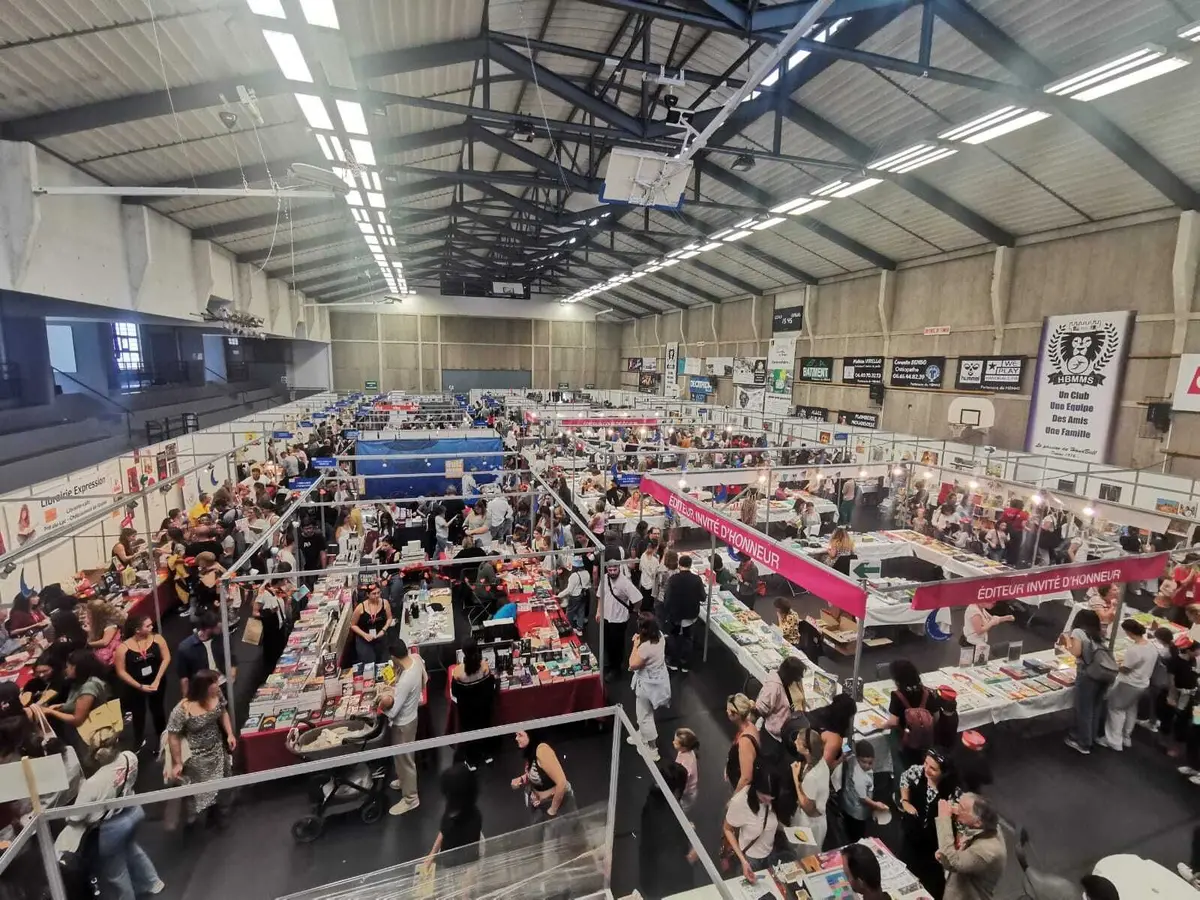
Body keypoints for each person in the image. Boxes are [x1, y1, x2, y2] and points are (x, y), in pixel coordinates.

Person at [53, 735, 164, 899]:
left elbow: (76, 817)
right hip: (133, 812)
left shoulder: (92, 784)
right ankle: (153, 883)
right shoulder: (129, 757)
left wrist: (67, 818)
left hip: (113, 827)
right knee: (132, 849)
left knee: (116, 870)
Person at [165, 669, 235, 827]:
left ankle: (214, 813)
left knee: (219, 780)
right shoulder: (182, 709)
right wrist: (178, 762)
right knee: (201, 787)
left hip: (216, 748)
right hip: (197, 756)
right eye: (214, 683)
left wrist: (229, 733)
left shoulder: (217, 695)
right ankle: (193, 816)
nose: (218, 685)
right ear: (204, 687)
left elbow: (223, 712)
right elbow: (173, 735)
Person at [899, 748, 962, 898]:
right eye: (926, 763)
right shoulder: (917, 771)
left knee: (932, 886)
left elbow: (960, 822)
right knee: (905, 875)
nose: (926, 769)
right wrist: (905, 801)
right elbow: (904, 778)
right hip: (912, 835)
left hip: (934, 846)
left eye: (933, 768)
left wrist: (956, 844)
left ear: (943, 772)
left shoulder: (953, 792)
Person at [1098, 618, 1157, 752]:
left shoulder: (1134, 650)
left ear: (1129, 632)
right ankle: (1126, 737)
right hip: (1142, 683)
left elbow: (1125, 669)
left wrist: (1114, 665)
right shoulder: (1150, 646)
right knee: (1131, 709)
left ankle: (1114, 740)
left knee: (1116, 709)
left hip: (1128, 683)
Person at [382, 636, 426, 816]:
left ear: (393, 657)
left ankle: (411, 798)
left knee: (405, 760)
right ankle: (403, 780)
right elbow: (425, 678)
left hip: (403, 724)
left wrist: (382, 704)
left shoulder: (405, 681)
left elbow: (393, 712)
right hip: (412, 716)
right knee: (402, 757)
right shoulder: (416, 659)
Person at [113, 615, 171, 751]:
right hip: (135, 685)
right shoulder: (123, 648)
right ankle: (138, 740)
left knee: (158, 711)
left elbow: (166, 657)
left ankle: (162, 740)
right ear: (137, 630)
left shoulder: (157, 639)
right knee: (138, 713)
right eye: (148, 626)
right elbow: (121, 671)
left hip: (157, 681)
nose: (152, 627)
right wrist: (140, 686)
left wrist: (157, 679)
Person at [638, 761, 694, 900]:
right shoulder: (668, 818)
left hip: (649, 871)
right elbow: (671, 858)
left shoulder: (653, 799)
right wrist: (691, 857)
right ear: (677, 790)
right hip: (667, 884)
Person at [935, 793, 1006, 900]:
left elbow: (953, 862)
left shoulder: (988, 851)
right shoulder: (987, 826)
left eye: (962, 808)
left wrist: (944, 818)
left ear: (978, 822)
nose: (955, 809)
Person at [33, 649, 109, 744]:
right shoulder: (80, 681)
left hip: (91, 732)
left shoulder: (89, 687)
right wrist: (61, 706)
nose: (66, 669)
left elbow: (77, 720)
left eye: (69, 666)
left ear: (78, 668)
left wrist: (50, 711)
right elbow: (76, 703)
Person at [1058, 608, 1108, 755]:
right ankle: (1092, 737)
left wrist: (1067, 640)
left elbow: (1076, 652)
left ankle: (1084, 742)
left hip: (1087, 674)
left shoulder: (1078, 632)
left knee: (1084, 709)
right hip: (1102, 673)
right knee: (1095, 707)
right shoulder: (1097, 633)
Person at [723, 765, 783, 883]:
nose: (769, 800)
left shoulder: (773, 799)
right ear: (756, 788)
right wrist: (743, 860)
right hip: (749, 857)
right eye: (765, 796)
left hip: (770, 853)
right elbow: (727, 829)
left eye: (772, 797)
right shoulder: (740, 802)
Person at [423, 762, 483, 872]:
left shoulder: (472, 823)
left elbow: (471, 862)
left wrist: (464, 888)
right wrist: (432, 853)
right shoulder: (452, 807)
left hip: (461, 867)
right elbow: (444, 830)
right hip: (449, 859)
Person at [450, 639, 498, 770]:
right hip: (483, 707)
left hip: (467, 710)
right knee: (485, 728)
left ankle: (472, 761)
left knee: (469, 732)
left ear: (463, 652)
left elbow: (454, 692)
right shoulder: (484, 666)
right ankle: (487, 754)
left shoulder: (458, 672)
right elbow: (491, 685)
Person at [629, 613, 671, 761]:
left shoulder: (645, 647)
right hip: (658, 681)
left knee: (644, 716)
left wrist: (635, 645)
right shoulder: (659, 637)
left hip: (646, 685)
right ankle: (641, 735)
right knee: (645, 711)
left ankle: (652, 748)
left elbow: (633, 664)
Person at [786, 722, 831, 852]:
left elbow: (808, 808)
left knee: (805, 856)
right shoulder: (819, 761)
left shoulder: (813, 776)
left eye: (798, 741)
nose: (795, 742)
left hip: (811, 824)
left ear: (807, 750)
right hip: (811, 819)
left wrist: (795, 778)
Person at [511, 729, 574, 821]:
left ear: (530, 735)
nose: (516, 738)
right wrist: (521, 779)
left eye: (520, 735)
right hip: (540, 804)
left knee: (568, 833)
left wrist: (552, 810)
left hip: (556, 804)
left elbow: (561, 782)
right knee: (536, 833)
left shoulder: (542, 750)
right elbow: (538, 772)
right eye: (516, 735)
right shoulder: (531, 751)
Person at [597, 559, 642, 682]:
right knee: (607, 643)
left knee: (617, 646)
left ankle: (616, 669)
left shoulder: (625, 583)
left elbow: (638, 598)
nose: (612, 572)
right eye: (610, 570)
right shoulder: (605, 578)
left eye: (614, 569)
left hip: (619, 620)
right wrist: (598, 611)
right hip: (606, 617)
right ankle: (610, 664)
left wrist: (634, 610)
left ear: (619, 568)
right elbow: (600, 595)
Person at [176, 611, 236, 699]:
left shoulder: (224, 638)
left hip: (223, 684)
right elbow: (184, 677)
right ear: (209, 629)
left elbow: (232, 657)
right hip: (202, 690)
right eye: (218, 628)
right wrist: (186, 698)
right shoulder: (186, 648)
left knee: (225, 709)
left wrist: (232, 674)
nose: (222, 629)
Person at [754, 656, 807, 754]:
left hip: (789, 730)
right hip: (775, 735)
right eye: (798, 676)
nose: (800, 678)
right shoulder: (774, 687)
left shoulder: (795, 681)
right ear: (791, 674)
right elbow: (761, 709)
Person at [663, 555, 704, 672]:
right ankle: (685, 664)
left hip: (675, 614)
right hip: (690, 614)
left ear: (679, 564)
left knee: (673, 637)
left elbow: (668, 598)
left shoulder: (673, 579)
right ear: (690, 565)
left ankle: (673, 662)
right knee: (687, 638)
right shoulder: (697, 579)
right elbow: (702, 597)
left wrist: (667, 612)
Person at [841, 741, 889, 842]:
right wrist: (876, 805)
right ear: (858, 758)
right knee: (857, 832)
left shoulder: (852, 758)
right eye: (864, 762)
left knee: (848, 825)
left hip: (848, 801)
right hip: (858, 811)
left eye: (870, 763)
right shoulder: (861, 778)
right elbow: (863, 798)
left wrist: (849, 747)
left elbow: (845, 745)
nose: (867, 766)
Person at [252, 568, 294, 676]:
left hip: (280, 628)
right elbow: (255, 612)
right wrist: (269, 611)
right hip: (270, 631)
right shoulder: (264, 593)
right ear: (279, 581)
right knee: (272, 656)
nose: (286, 582)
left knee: (281, 652)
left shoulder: (277, 591)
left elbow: (285, 602)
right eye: (284, 580)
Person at [350, 582, 394, 666]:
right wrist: (364, 635)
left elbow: (389, 618)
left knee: (384, 662)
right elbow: (353, 625)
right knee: (369, 663)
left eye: (378, 593)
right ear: (368, 594)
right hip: (364, 639)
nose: (377, 595)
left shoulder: (385, 603)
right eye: (374, 594)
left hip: (380, 636)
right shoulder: (360, 607)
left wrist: (384, 630)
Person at [724, 693, 760, 793]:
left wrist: (734, 800)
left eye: (728, 709)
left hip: (746, 794)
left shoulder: (745, 741)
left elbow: (746, 777)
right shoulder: (749, 726)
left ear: (735, 713)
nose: (726, 711)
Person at [558, 557, 593, 634]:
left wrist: (559, 595)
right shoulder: (587, 573)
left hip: (575, 596)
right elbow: (588, 584)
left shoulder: (574, 576)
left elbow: (569, 590)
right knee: (581, 612)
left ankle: (568, 628)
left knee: (570, 613)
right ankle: (580, 629)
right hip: (584, 595)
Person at [86, 599, 124, 667]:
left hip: (114, 657)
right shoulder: (102, 622)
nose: (88, 616)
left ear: (96, 614)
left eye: (89, 614)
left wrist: (88, 644)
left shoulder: (110, 624)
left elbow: (105, 642)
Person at [672, 727, 700, 812]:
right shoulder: (685, 750)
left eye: (676, 742)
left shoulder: (687, 764)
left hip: (687, 792)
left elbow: (682, 780)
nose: (673, 742)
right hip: (685, 789)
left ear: (684, 747)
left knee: (681, 809)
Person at [638, 538, 662, 605]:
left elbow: (640, 568)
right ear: (656, 547)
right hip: (651, 582)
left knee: (644, 598)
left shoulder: (643, 555)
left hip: (644, 580)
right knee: (649, 600)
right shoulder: (655, 559)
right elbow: (656, 572)